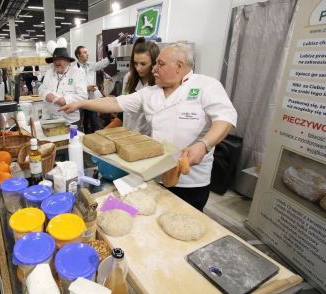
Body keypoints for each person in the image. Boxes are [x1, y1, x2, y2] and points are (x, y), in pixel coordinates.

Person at [60, 43, 237, 211]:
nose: (154, 69)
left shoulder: (206, 86)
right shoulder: (151, 93)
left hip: (191, 180)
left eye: (160, 64)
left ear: (179, 66)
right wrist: (81, 103)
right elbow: (114, 102)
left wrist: (204, 144)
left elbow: (225, 119)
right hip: (155, 174)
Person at [38, 46, 88, 125]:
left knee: (72, 137)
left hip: (70, 120)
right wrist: (46, 95)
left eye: (60, 59)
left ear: (67, 61)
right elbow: (41, 89)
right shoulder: (49, 72)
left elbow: (83, 95)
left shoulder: (76, 73)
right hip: (52, 118)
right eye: (55, 60)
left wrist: (66, 100)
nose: (56, 62)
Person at [121, 38, 160, 136]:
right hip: (127, 132)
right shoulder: (129, 78)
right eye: (135, 63)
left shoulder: (159, 83)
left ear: (154, 63)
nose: (138, 68)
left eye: (143, 64)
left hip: (147, 136)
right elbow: (123, 105)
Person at [74, 45, 114, 133]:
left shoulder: (90, 65)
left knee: (94, 122)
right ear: (78, 55)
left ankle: (94, 140)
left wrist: (109, 57)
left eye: (87, 52)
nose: (87, 54)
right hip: (80, 100)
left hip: (91, 99)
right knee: (80, 123)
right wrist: (86, 88)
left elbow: (101, 64)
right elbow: (73, 87)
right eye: (84, 52)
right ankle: (81, 140)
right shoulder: (73, 70)